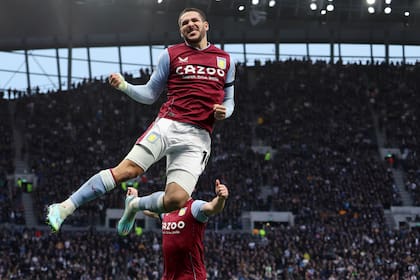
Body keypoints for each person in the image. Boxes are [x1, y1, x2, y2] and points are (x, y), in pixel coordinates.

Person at [46, 7, 235, 234]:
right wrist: (125, 86)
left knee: (176, 200)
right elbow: (149, 94)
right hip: (168, 125)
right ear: (181, 31)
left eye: (195, 20)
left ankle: (134, 204)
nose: (190, 24)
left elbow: (230, 100)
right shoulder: (171, 54)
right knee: (127, 171)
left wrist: (226, 111)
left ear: (205, 26)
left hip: (199, 138)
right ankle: (64, 207)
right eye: (184, 23)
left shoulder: (225, 60)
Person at [127, 179, 228, 280]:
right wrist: (135, 199)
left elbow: (213, 207)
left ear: (192, 188)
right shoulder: (166, 210)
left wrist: (221, 198)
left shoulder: (194, 207)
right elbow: (147, 210)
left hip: (192, 277)